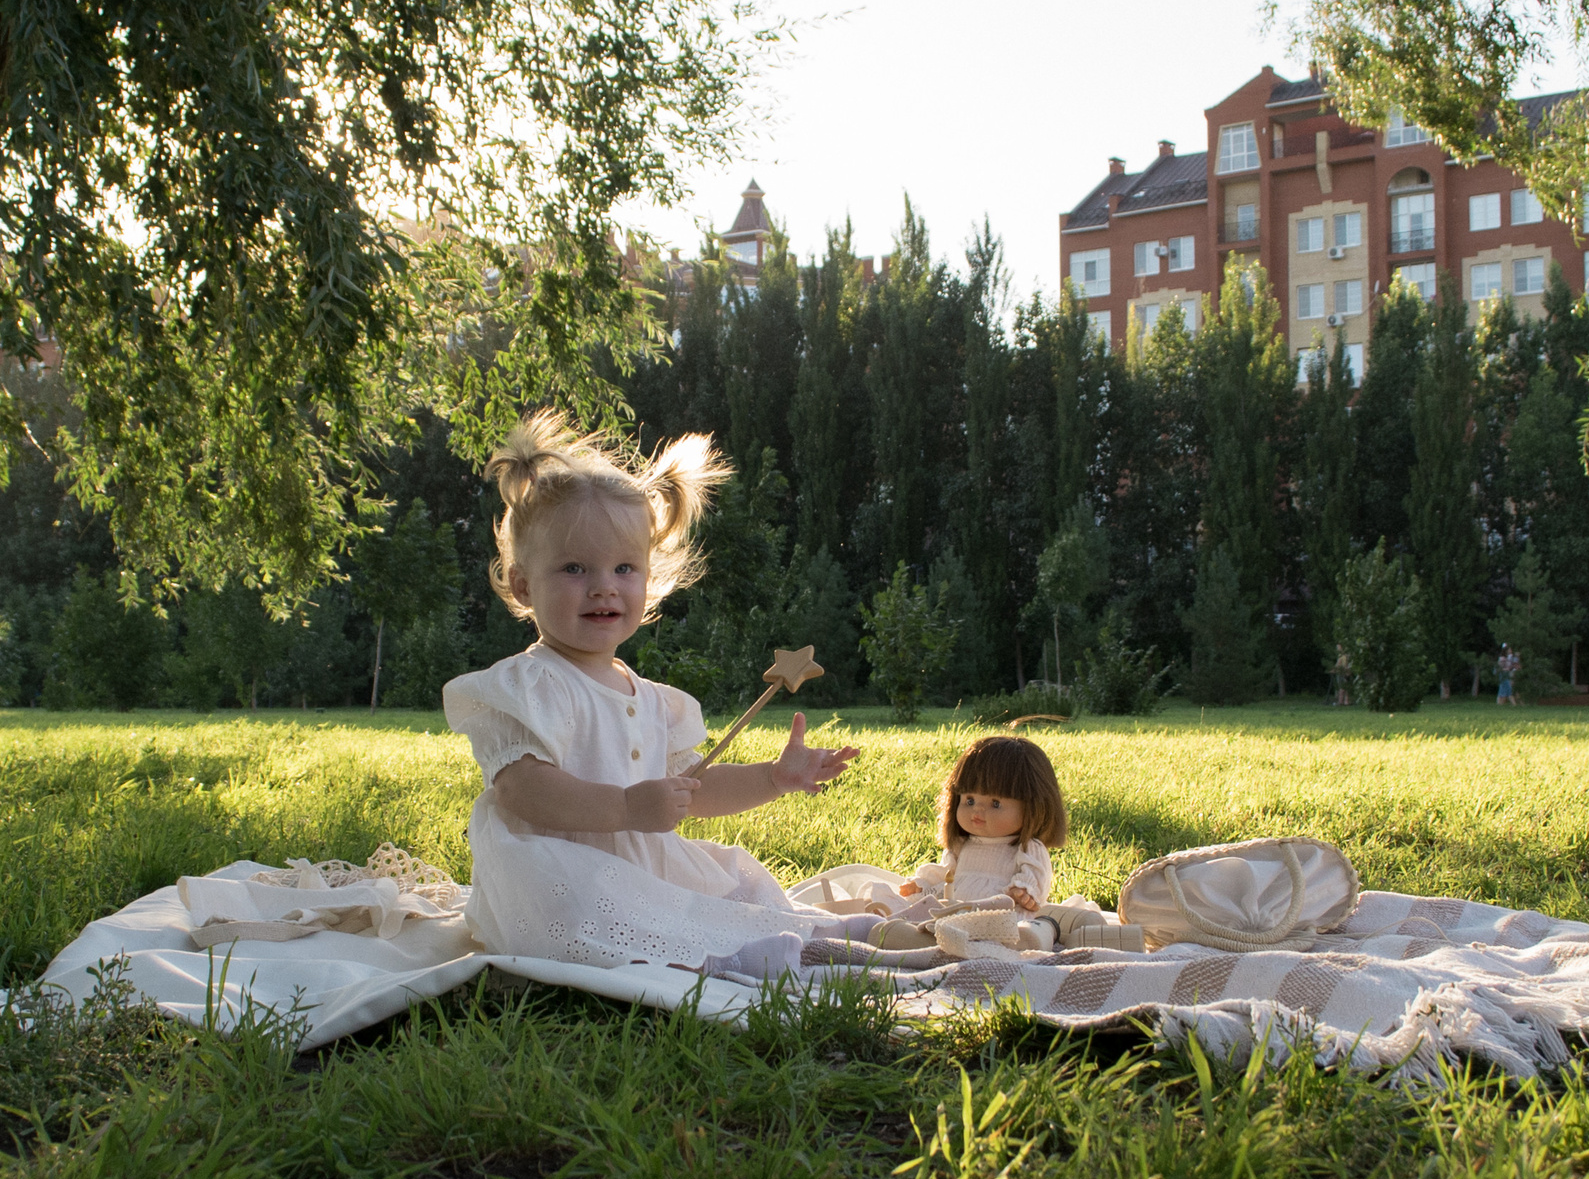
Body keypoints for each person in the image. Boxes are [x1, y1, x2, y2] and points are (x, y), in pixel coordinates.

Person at [442, 412, 863, 969]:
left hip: (641, 862)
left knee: (723, 881)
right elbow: (523, 790)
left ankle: (803, 930)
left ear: (648, 578)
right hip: (558, 876)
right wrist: (626, 806)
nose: (603, 587)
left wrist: (772, 778)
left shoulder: (653, 699)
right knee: (603, 912)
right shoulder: (532, 684)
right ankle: (715, 960)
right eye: (573, 568)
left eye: (624, 568)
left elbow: (695, 790)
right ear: (523, 583)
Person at [872, 735, 1129, 954]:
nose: (978, 810)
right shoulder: (962, 846)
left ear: (1033, 807)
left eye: (996, 803)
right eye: (969, 799)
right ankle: (930, 940)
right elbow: (946, 879)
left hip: (1003, 919)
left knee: (1014, 934)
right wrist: (923, 886)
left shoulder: (1027, 848)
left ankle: (1020, 939)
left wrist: (1022, 892)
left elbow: (1035, 878)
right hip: (957, 914)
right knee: (914, 917)